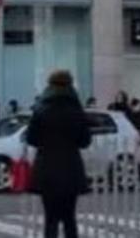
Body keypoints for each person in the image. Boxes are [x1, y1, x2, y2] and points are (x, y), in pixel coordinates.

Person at [26, 70, 91, 238]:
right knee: (69, 218)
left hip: (46, 168)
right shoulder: (76, 110)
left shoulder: (41, 109)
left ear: (49, 85)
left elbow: (31, 138)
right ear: (70, 85)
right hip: (70, 168)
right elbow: (85, 141)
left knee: (51, 218)